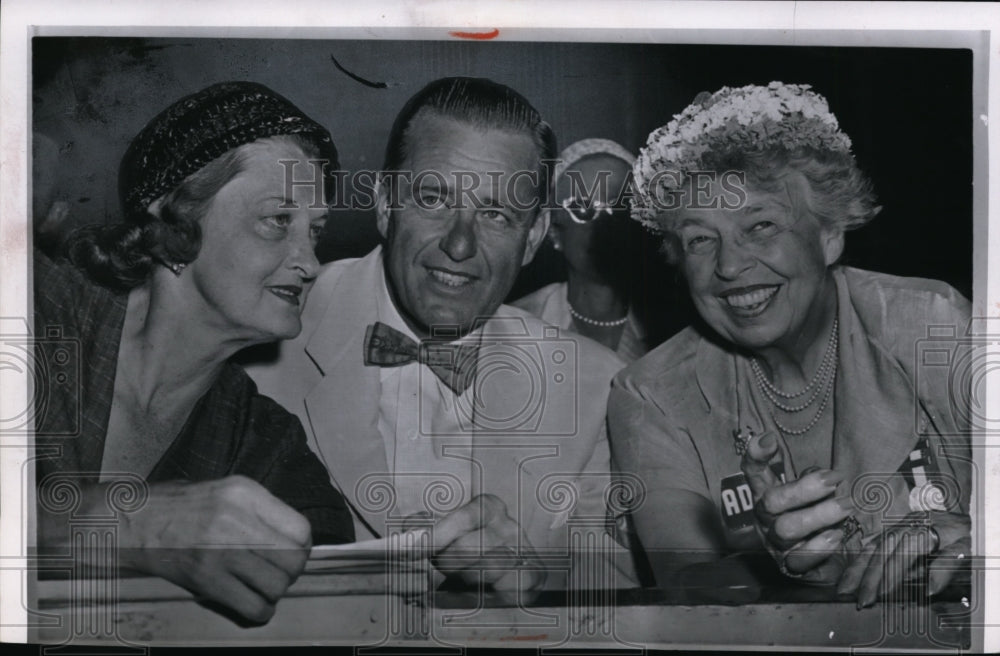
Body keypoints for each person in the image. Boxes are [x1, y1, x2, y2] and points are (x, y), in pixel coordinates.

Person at [246, 77, 633, 594]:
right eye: (433, 198)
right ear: (385, 205)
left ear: (534, 238)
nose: (458, 244)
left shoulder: (594, 385)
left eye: (496, 214)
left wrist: (534, 579)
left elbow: (621, 584)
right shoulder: (258, 337)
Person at [607, 82, 971, 606]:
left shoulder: (933, 326)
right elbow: (687, 588)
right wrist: (786, 574)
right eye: (700, 240)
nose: (729, 267)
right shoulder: (649, 395)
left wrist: (978, 543)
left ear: (829, 235)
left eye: (760, 225)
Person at [34, 81, 354, 624]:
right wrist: (131, 527)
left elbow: (336, 582)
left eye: (315, 231)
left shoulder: (260, 437)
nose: (310, 262)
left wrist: (447, 573)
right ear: (177, 221)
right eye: (279, 221)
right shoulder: (34, 310)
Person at [512, 138, 653, 362]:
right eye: (584, 209)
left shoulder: (671, 325)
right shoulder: (515, 328)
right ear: (554, 232)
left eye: (622, 206)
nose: (605, 224)